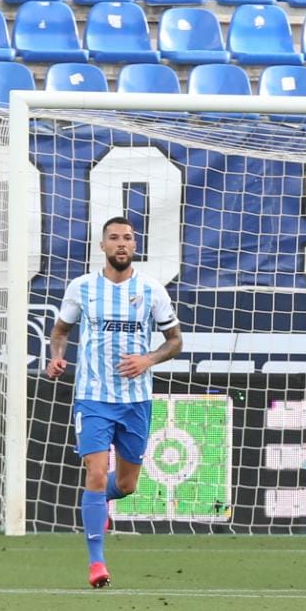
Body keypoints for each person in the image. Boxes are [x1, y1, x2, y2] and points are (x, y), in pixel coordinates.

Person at [43, 217, 184, 589]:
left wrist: (148, 359)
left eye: (128, 238)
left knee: (125, 484)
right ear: (102, 246)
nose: (121, 243)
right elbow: (60, 331)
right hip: (93, 396)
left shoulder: (152, 290)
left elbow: (175, 340)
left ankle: (95, 502)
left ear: (134, 246)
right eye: (114, 238)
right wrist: (55, 356)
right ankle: (96, 563)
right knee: (94, 471)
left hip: (135, 401)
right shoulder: (83, 288)